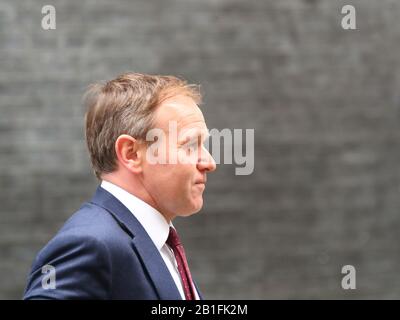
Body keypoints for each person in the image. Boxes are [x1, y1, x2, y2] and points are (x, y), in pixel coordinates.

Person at [23, 73, 216, 299]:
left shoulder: (156, 241)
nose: (210, 162)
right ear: (131, 154)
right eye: (190, 145)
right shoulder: (90, 243)